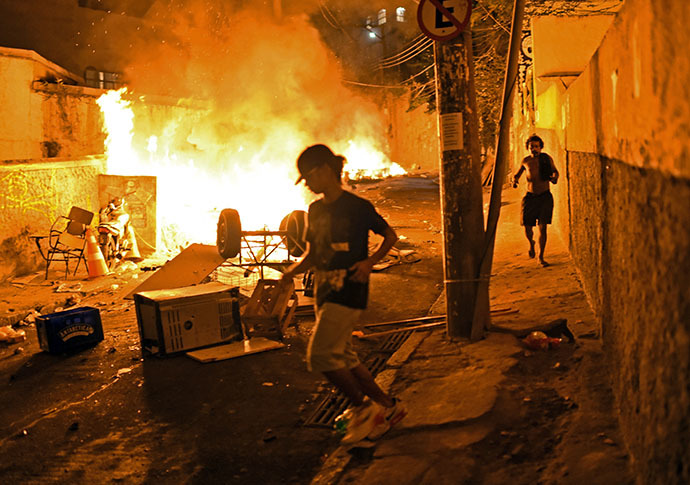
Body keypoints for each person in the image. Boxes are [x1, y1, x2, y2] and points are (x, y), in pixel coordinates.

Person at [280, 144, 407, 444]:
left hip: (349, 289)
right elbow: (314, 253)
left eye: (309, 177)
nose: (308, 185)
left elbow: (390, 236)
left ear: (325, 171)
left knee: (321, 355)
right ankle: (390, 408)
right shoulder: (315, 209)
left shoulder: (357, 208)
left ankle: (363, 410)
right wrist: (291, 273)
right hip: (324, 291)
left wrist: (369, 263)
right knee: (344, 356)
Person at [511, 134, 559, 267]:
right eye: (531, 146)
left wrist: (555, 177)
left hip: (545, 196)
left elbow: (555, 172)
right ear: (528, 147)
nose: (534, 149)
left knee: (543, 228)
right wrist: (514, 180)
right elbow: (517, 175)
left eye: (536, 146)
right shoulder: (525, 161)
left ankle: (540, 256)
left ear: (541, 147)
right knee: (527, 227)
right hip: (530, 197)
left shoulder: (546, 159)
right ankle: (531, 243)